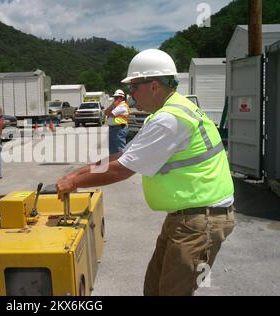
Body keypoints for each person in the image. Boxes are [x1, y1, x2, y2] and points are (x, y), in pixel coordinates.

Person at [56, 49, 235, 296]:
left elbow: (122, 170)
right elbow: (122, 156)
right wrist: (77, 173)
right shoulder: (167, 112)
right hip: (185, 216)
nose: (130, 95)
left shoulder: (169, 119)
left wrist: (75, 181)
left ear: (153, 85)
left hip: (200, 221)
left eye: (134, 87)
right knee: (154, 289)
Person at [104, 89, 130, 154]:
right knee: (112, 148)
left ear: (121, 98)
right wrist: (113, 105)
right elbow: (105, 112)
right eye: (114, 97)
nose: (115, 99)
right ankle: (113, 161)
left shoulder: (122, 106)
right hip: (114, 129)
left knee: (119, 148)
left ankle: (121, 162)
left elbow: (109, 113)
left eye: (116, 97)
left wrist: (113, 105)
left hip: (119, 129)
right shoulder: (117, 106)